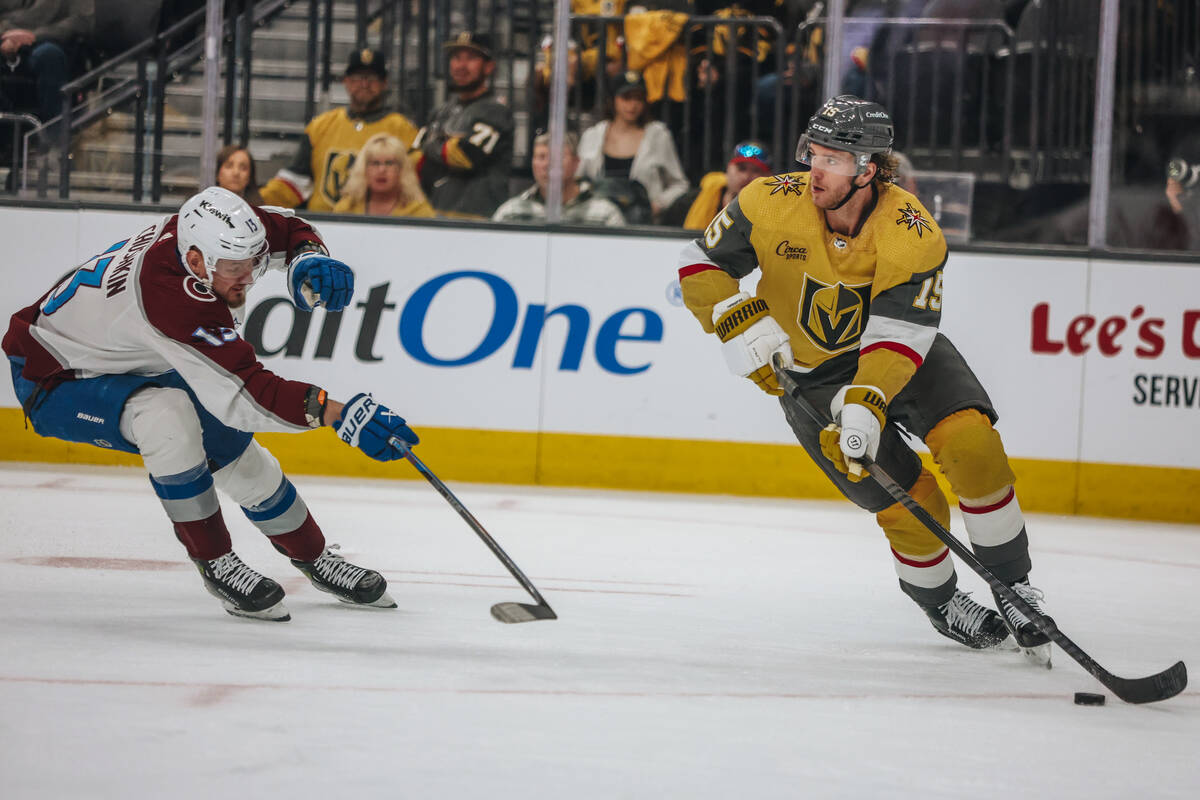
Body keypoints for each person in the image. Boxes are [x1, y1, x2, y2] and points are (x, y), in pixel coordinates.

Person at [676, 95, 1052, 662]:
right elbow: (699, 264)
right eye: (812, 153)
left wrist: (869, 399)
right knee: (906, 500)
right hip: (813, 379)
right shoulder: (767, 201)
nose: (814, 169)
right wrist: (731, 316)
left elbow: (899, 336)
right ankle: (943, 601)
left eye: (831, 158)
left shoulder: (911, 228)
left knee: (971, 444)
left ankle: (1014, 586)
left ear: (867, 169)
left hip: (903, 352)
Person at [3, 186, 421, 622]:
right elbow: (246, 394)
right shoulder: (173, 298)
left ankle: (315, 558)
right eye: (234, 268)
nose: (248, 278)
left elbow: (289, 228)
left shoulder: (214, 238)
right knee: (167, 418)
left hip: (131, 354)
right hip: (54, 376)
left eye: (254, 264)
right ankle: (215, 560)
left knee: (234, 449)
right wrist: (337, 414)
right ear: (196, 260)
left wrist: (307, 256)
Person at [260, 48, 418, 212]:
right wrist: (257, 202)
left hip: (376, 225)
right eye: (358, 78)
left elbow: (412, 186)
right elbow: (295, 182)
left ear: (384, 83)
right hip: (323, 225)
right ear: (347, 82)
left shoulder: (403, 129)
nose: (364, 84)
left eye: (372, 78)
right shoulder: (321, 126)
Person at [411, 31, 514, 219]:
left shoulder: (495, 112)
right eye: (456, 57)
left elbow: (464, 156)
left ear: (489, 67)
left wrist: (431, 142)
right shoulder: (441, 112)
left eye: (471, 58)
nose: (461, 65)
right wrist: (445, 144)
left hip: (479, 220)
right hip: (435, 215)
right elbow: (415, 159)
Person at [576, 70, 688, 223]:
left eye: (638, 99)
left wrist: (657, 205)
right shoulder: (592, 136)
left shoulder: (658, 135)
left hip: (643, 227)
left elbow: (679, 185)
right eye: (626, 98)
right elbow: (577, 181)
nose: (632, 105)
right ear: (613, 99)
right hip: (597, 224)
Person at [492, 130, 626, 226]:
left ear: (576, 163)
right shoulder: (511, 212)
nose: (547, 165)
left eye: (557, 157)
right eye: (541, 157)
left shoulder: (606, 214)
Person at [0, 0, 93, 125]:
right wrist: (6, 36)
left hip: (48, 40)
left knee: (48, 55)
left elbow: (81, 21)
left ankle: (54, 133)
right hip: (5, 36)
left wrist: (32, 36)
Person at [660, 139, 773, 229]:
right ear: (728, 169)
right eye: (741, 169)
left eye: (756, 171)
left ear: (768, 176)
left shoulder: (773, 213)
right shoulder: (691, 202)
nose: (746, 177)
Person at [333, 132, 434, 218]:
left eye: (389, 163)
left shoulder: (420, 212)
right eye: (375, 163)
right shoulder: (346, 208)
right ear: (364, 169)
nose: (382, 170)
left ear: (401, 170)